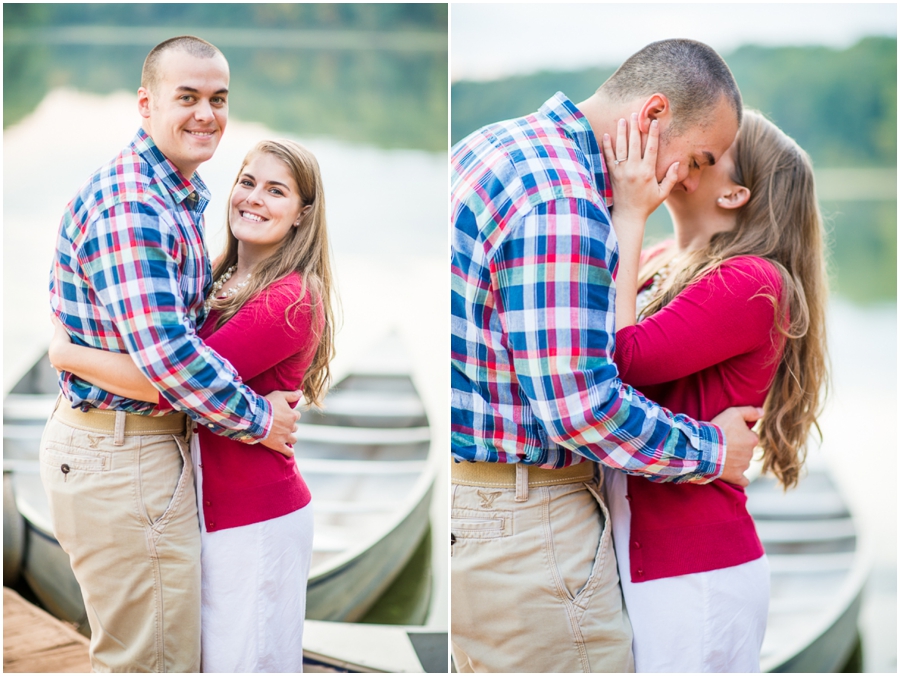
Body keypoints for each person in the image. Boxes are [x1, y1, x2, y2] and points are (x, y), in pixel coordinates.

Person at [450, 39, 764, 673]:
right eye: (696, 156)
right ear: (652, 117)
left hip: (480, 509)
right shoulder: (562, 200)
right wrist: (712, 450)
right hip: (526, 526)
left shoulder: (492, 145)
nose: (690, 178)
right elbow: (578, 407)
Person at [42, 36, 302, 672]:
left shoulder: (180, 194)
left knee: (155, 653)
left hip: (140, 447)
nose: (205, 114)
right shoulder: (135, 204)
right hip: (123, 452)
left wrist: (71, 353)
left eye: (218, 99)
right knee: (151, 662)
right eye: (186, 97)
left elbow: (175, 349)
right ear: (145, 103)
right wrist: (263, 421)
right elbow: (173, 362)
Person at [600, 109, 827, 672]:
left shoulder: (753, 282)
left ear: (734, 194)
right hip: (642, 560)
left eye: (714, 148)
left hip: (694, 576)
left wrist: (630, 213)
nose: (687, 147)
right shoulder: (656, 262)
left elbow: (622, 360)